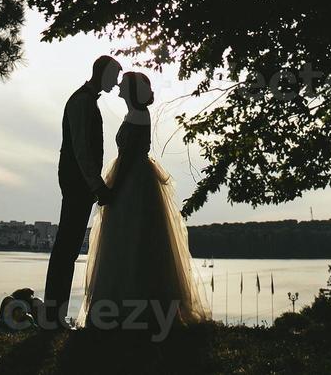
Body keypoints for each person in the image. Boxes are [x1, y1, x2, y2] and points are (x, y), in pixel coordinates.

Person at [77, 71, 211, 331]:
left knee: (130, 238)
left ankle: (128, 306)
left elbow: (127, 157)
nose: (119, 87)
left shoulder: (137, 116)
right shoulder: (134, 114)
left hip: (133, 181)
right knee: (129, 239)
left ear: (131, 90)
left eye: (123, 85)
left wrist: (112, 187)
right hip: (134, 176)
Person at [42, 54, 121, 329]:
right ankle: (52, 315)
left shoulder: (87, 100)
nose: (116, 82)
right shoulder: (81, 102)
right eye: (114, 76)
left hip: (80, 183)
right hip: (77, 183)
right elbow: (80, 148)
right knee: (66, 247)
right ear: (103, 73)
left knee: (69, 247)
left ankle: (54, 314)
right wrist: (96, 185)